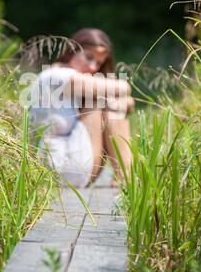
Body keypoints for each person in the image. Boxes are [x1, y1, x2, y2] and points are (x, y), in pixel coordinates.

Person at [28, 28, 134, 188]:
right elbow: (123, 89)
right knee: (102, 101)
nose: (93, 67)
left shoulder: (63, 77)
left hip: (67, 166)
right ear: (72, 50)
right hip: (62, 167)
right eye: (89, 57)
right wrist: (122, 94)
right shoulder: (58, 75)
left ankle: (126, 176)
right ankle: (127, 177)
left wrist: (122, 102)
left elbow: (125, 101)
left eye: (98, 63)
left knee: (104, 99)